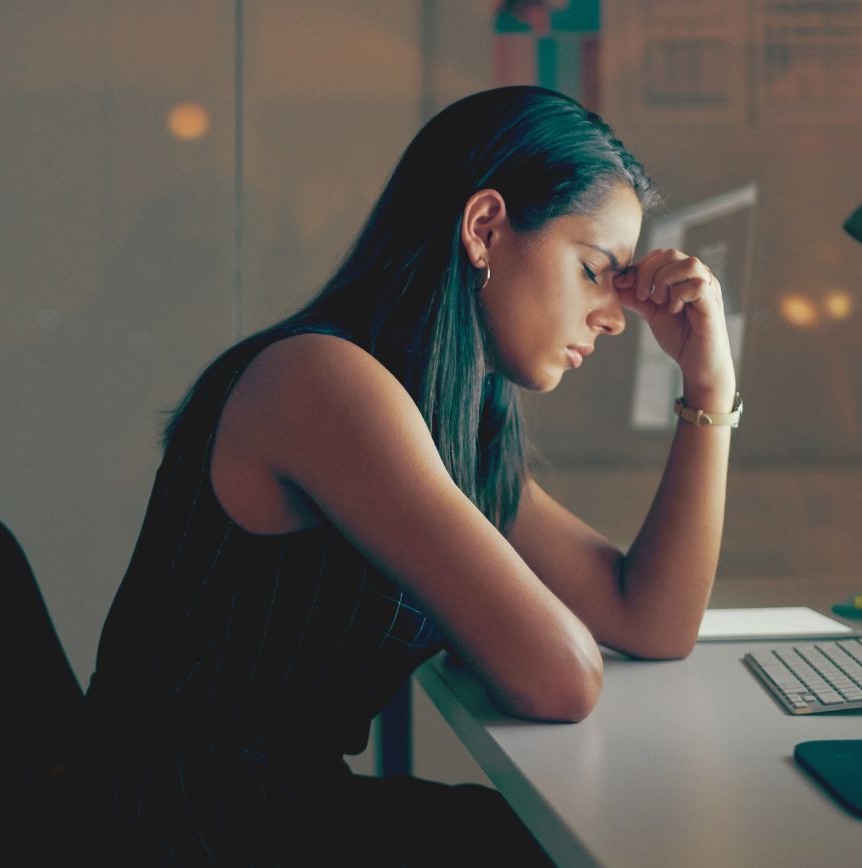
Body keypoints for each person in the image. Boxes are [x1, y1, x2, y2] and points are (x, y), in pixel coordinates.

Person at [76, 85, 736, 865]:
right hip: (188, 829)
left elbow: (649, 622)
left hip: (272, 812)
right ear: (485, 227)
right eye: (596, 270)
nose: (614, 315)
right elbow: (562, 680)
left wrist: (708, 389)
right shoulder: (320, 383)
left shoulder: (450, 423)